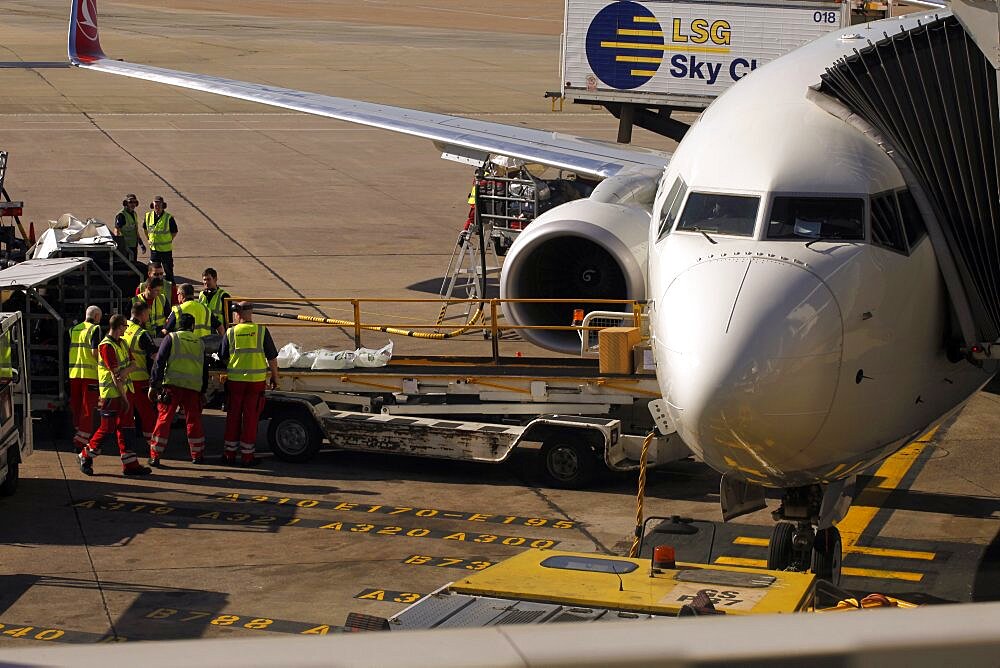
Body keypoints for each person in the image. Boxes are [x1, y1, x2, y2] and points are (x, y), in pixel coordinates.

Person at [80, 314, 151, 476]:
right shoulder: (106, 346)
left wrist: (125, 372)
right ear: (119, 326)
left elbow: (133, 365)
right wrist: (125, 397)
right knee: (107, 429)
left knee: (127, 429)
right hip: (112, 394)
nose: (127, 329)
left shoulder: (122, 343)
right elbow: (114, 374)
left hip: (124, 392)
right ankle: (85, 455)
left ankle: (130, 465)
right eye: (125, 326)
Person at [220, 302, 279, 466]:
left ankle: (229, 454)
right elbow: (272, 358)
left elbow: (223, 356)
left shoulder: (231, 332)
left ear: (238, 314)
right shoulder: (261, 331)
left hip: (236, 382)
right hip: (255, 383)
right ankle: (247, 456)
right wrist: (275, 377)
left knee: (233, 417)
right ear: (251, 313)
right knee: (251, 418)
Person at [149, 313, 207, 464]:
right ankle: (197, 454)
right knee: (193, 420)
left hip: (172, 386)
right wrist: (203, 390)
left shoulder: (172, 338)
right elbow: (204, 369)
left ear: (178, 325)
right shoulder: (200, 343)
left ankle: (155, 455)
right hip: (193, 388)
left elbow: (159, 362)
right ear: (193, 326)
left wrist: (154, 385)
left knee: (164, 419)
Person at [122, 302, 159, 464]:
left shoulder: (124, 329)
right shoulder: (142, 334)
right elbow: (155, 357)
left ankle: (126, 447)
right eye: (147, 314)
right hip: (140, 380)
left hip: (124, 381)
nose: (148, 317)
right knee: (147, 415)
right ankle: (152, 447)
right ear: (141, 314)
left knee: (127, 415)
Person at [68, 306, 102, 455]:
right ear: (95, 316)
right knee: (88, 408)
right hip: (90, 374)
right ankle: (81, 441)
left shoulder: (73, 329)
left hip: (74, 373)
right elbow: (95, 352)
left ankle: (78, 433)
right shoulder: (96, 329)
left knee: (76, 405)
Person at [143, 196, 178, 282]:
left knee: (168, 272)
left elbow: (174, 231)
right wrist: (148, 239)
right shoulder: (148, 216)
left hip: (166, 250)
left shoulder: (168, 218)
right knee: (154, 272)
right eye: (156, 205)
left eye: (159, 205)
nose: (157, 207)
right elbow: (145, 228)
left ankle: (171, 290)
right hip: (154, 250)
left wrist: (168, 240)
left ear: (163, 206)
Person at [113, 194, 146, 263]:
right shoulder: (121, 215)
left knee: (133, 265)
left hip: (133, 245)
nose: (133, 204)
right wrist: (119, 245)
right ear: (126, 203)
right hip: (125, 248)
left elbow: (135, 230)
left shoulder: (134, 214)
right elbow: (116, 230)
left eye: (134, 202)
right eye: (130, 202)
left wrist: (141, 244)